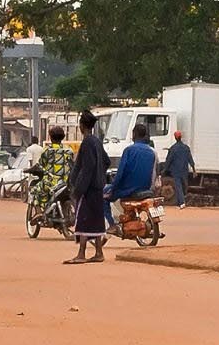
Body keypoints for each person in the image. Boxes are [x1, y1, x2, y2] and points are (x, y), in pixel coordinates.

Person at [67, 110, 110, 264]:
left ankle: (81, 254)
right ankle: (99, 252)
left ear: (81, 126)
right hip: (98, 187)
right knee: (96, 220)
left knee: (83, 220)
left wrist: (80, 189)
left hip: (88, 188)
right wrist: (100, 176)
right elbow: (106, 161)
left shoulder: (87, 142)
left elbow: (87, 168)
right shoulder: (97, 141)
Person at [106, 122, 158, 205]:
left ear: (134, 134)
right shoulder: (151, 152)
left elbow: (120, 173)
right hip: (145, 188)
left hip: (128, 189)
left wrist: (112, 188)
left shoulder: (129, 150)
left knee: (104, 192)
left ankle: (108, 218)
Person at [30, 127, 72, 216]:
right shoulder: (69, 150)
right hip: (66, 182)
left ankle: (39, 212)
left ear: (51, 137)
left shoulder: (47, 150)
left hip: (51, 182)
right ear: (63, 137)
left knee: (34, 190)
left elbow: (40, 165)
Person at [164, 130, 195, 207]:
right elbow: (190, 159)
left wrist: (165, 169)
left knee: (178, 186)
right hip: (184, 170)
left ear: (175, 137)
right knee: (184, 185)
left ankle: (181, 202)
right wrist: (194, 170)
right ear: (181, 137)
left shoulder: (173, 148)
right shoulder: (186, 148)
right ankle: (181, 201)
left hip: (176, 170)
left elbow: (169, 160)